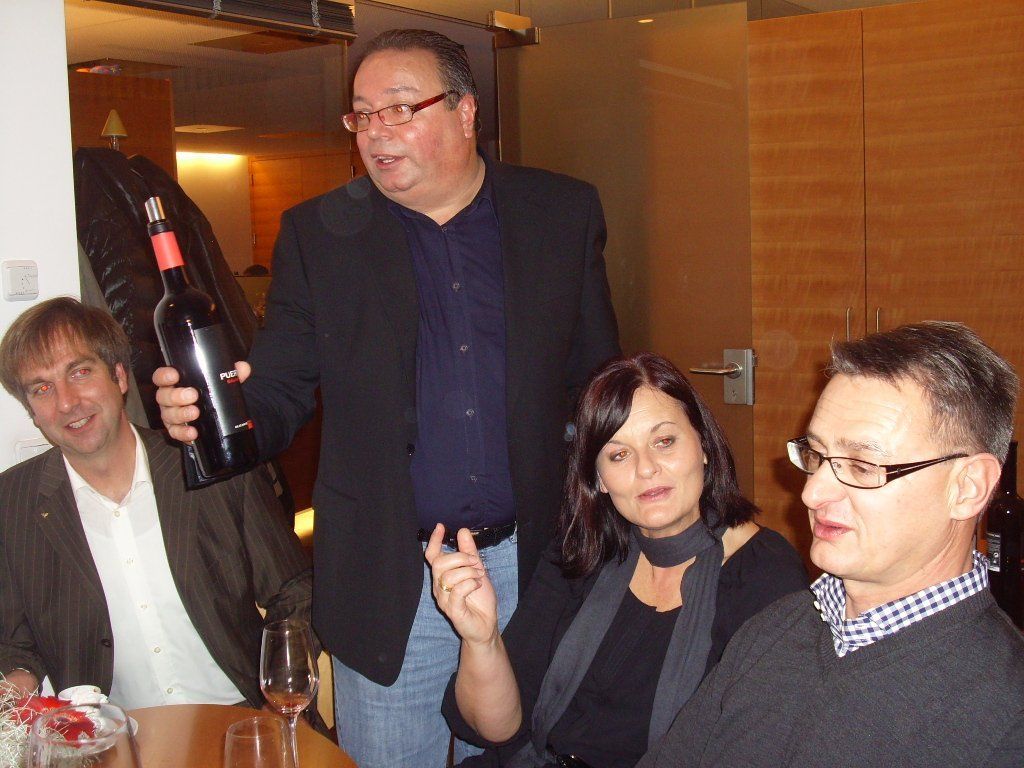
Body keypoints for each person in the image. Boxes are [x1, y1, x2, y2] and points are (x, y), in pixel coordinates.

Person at [153, 28, 620, 767]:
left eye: (399, 108)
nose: (375, 132)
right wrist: (217, 414)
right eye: (362, 115)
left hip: (535, 564)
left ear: (466, 111)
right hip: (391, 577)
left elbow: (599, 386)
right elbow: (278, 392)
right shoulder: (319, 235)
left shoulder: (559, 213)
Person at [636, 322, 1024, 768]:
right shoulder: (775, 630)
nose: (812, 492)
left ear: (968, 487)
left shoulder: (1004, 720)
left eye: (862, 465)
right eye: (817, 456)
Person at [427, 353, 807, 768]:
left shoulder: (763, 575)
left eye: (664, 441)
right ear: (599, 479)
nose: (646, 469)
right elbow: (496, 729)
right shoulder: (583, 549)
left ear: (703, 446)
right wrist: (482, 639)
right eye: (619, 455)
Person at [0, 298, 314, 711]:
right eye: (42, 389)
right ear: (32, 412)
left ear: (119, 376)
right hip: (111, 734)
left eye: (80, 372)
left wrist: (279, 702)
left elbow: (293, 592)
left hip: (241, 718)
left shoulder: (210, 464)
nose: (66, 402)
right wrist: (15, 690)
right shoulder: (13, 503)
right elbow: (16, 644)